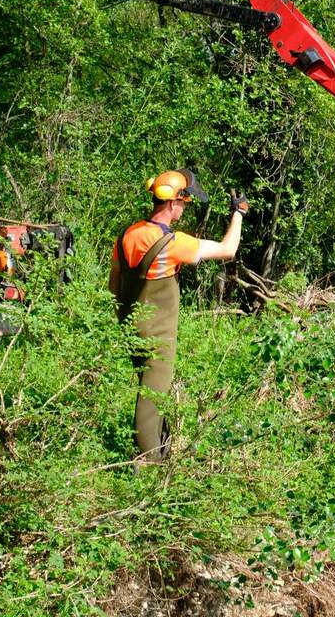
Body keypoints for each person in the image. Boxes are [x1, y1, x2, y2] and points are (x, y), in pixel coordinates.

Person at [109, 169, 247, 461]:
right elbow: (228, 249)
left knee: (150, 388)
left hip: (131, 329)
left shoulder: (127, 235)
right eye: (183, 203)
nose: (184, 208)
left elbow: (115, 282)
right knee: (151, 400)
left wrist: (124, 318)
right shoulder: (173, 243)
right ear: (172, 203)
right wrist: (238, 214)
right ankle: (148, 465)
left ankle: (162, 451)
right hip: (158, 336)